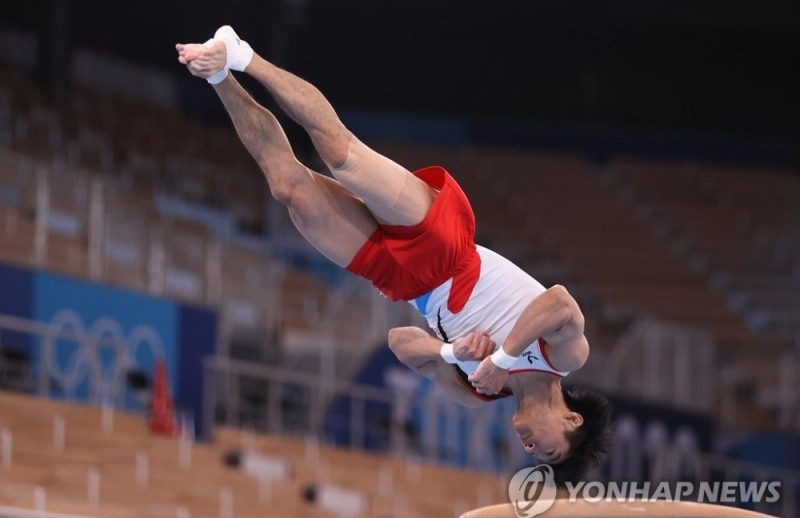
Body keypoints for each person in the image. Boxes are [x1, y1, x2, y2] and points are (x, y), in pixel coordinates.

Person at [176, 26, 612, 484]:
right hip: (445, 246)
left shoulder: (477, 393)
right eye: (550, 451)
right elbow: (559, 302)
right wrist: (501, 358)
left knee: (289, 187)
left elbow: (400, 344)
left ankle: (219, 75)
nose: (532, 450)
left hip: (403, 281)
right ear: (572, 419)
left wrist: (451, 351)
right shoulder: (565, 356)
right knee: (339, 153)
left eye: (537, 458)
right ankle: (244, 54)